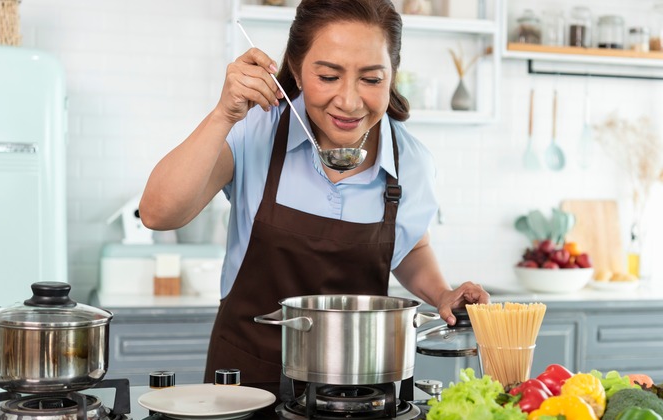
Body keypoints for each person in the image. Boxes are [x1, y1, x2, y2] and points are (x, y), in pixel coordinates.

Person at [139, 0, 489, 384]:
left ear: (392, 76)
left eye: (371, 80)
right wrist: (224, 114)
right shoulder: (254, 131)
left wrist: (441, 293)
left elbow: (411, 247)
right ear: (296, 69)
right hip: (245, 382)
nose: (349, 101)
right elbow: (158, 214)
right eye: (328, 76)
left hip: (358, 387)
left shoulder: (410, 162)